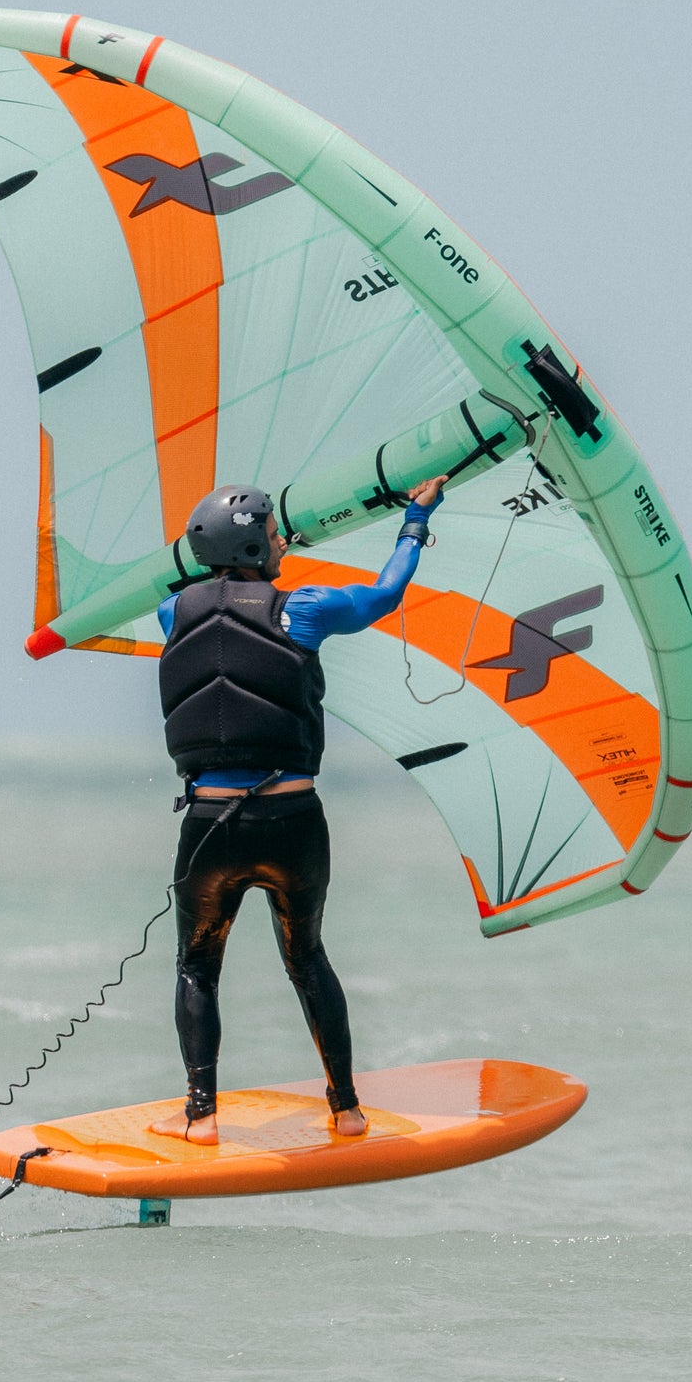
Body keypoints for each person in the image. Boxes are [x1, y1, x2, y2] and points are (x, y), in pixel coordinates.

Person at [149, 474, 448, 1145]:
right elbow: (384, 594)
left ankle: (200, 1116)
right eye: (272, 531)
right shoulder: (302, 610)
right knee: (306, 958)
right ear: (253, 545)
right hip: (291, 823)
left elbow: (212, 603)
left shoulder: (171, 613)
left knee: (197, 966)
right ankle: (346, 1109)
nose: (283, 539)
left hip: (209, 828)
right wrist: (415, 520)